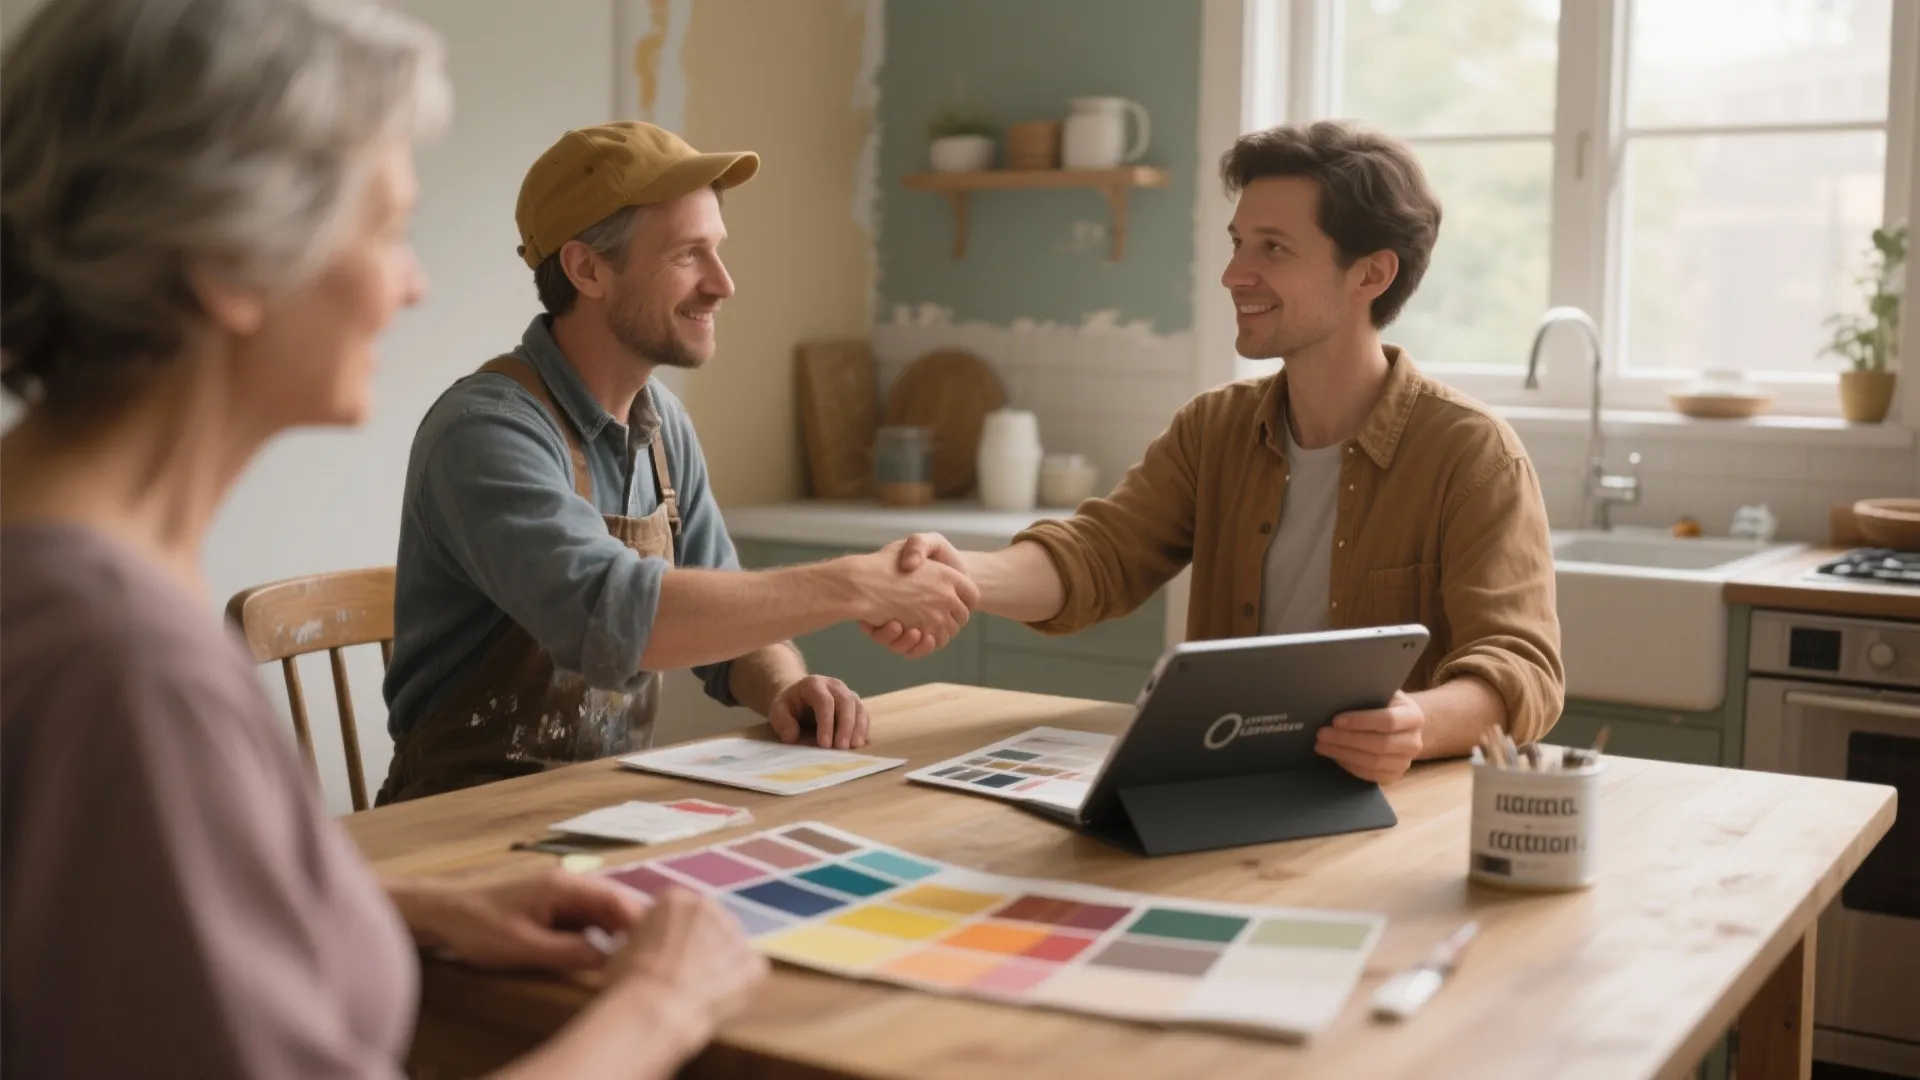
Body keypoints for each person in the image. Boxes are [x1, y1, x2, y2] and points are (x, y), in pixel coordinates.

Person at [0, 1, 764, 1076]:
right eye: (384, 228)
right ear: (229, 260)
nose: (411, 284)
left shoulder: (61, 564)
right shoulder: (122, 663)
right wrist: (659, 1007)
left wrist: (398, 903)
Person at [869, 122, 1563, 784]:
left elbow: (1522, 669)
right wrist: (960, 575)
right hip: (1227, 778)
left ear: (1371, 274)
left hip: (1390, 809)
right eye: (1237, 243)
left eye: (1273, 248)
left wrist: (1416, 721)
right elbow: (1099, 556)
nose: (1235, 273)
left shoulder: (1471, 454)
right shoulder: (1214, 430)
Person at [377, 120, 976, 803]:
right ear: (587, 268)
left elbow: (728, 620)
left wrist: (784, 685)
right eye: (689, 255)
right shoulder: (486, 433)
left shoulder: (662, 426)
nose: (723, 284)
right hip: (454, 833)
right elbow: (616, 618)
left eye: (717, 251)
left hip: (602, 815)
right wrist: (856, 583)